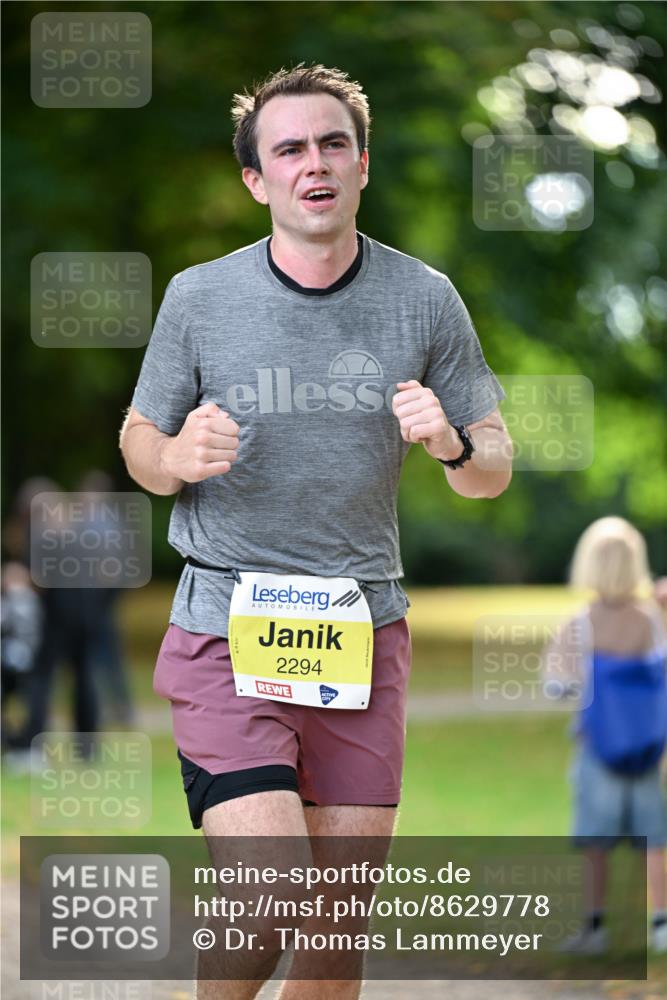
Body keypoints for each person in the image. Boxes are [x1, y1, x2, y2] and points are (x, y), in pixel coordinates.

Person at [120, 63, 512, 998]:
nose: (314, 164)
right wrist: (175, 456)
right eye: (288, 148)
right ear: (256, 179)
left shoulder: (423, 297)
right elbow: (139, 441)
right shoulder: (198, 297)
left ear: (362, 163)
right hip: (226, 622)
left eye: (332, 143)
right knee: (270, 897)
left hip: (359, 634)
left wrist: (453, 442)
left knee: (335, 944)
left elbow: (491, 469)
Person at [543, 516, 667, 955]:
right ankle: (660, 923)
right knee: (654, 837)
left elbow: (556, 684)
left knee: (594, 838)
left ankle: (594, 927)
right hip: (649, 748)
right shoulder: (651, 618)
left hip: (598, 747)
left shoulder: (581, 622)